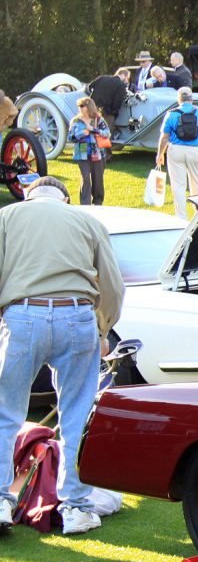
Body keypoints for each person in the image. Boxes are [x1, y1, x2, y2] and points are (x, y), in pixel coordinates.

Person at [0, 176, 124, 535]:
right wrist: (103, 328)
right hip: (77, 314)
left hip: (22, 313)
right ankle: (75, 508)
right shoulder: (88, 221)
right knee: (76, 415)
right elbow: (112, 286)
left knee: (6, 414)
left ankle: (2, 501)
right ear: (65, 199)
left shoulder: (6, 217)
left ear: (28, 195)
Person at [155, 86, 198, 219]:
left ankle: (181, 217)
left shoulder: (172, 114)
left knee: (178, 185)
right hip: (194, 150)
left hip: (176, 150)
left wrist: (160, 154)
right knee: (197, 182)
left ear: (179, 99)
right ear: (191, 99)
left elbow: (164, 137)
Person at [68, 97, 110, 206]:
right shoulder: (75, 121)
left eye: (82, 106)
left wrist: (93, 129)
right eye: (79, 106)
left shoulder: (98, 119)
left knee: (98, 179)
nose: (79, 108)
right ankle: (85, 204)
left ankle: (98, 203)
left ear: (89, 107)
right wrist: (81, 133)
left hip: (97, 153)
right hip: (82, 153)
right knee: (85, 178)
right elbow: (70, 137)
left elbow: (107, 133)